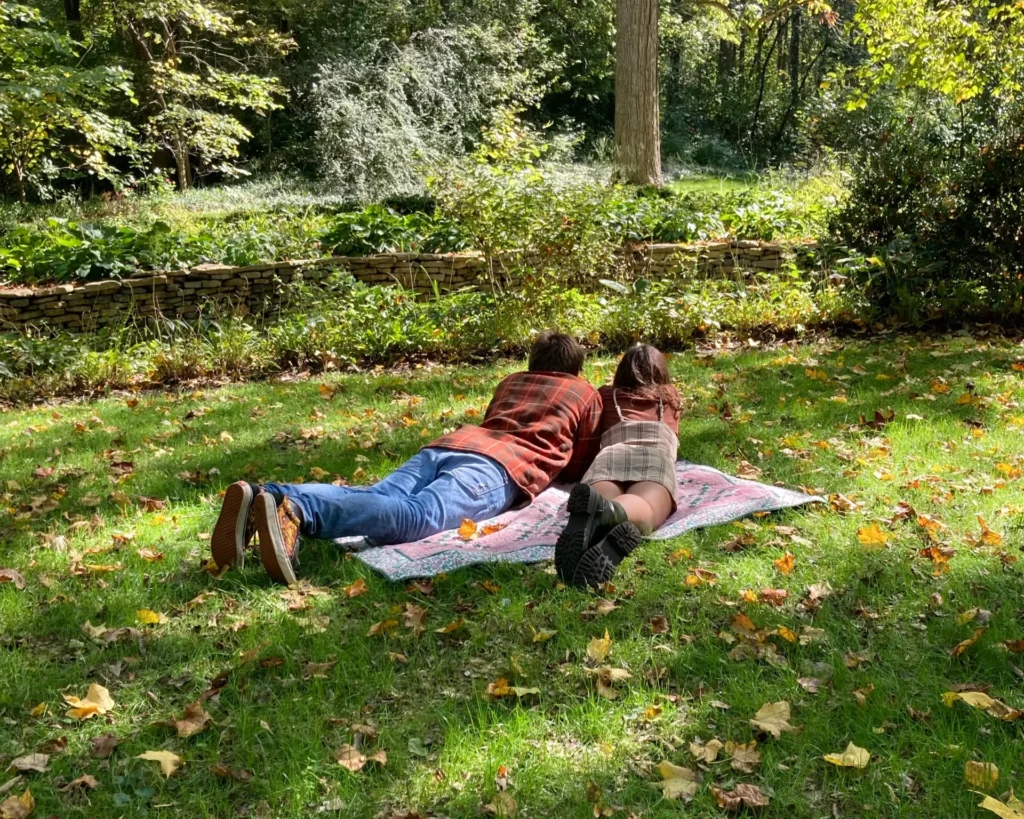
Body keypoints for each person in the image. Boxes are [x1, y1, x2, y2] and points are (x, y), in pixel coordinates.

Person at [210, 332, 603, 583]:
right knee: (415, 517)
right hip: (501, 465)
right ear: (577, 368)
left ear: (533, 363)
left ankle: (267, 492)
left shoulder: (511, 381)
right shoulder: (585, 393)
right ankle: (297, 510)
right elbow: (581, 460)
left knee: (378, 496)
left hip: (448, 446)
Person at [554, 343, 681, 588]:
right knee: (646, 509)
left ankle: (599, 514)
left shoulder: (605, 394)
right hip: (654, 456)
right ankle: (610, 515)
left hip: (610, 454)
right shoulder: (670, 396)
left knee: (603, 498)